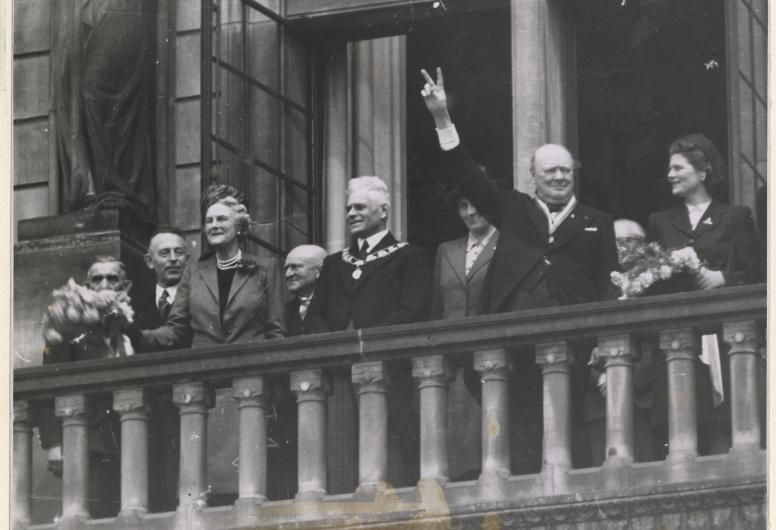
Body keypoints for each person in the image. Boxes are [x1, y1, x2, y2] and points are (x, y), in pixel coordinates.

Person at [421, 67, 618, 473]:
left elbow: (607, 284)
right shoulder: (513, 209)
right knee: (522, 438)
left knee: (572, 440)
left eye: (565, 170)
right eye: (550, 171)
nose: (560, 176)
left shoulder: (597, 220)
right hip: (516, 343)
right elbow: (466, 175)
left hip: (574, 343)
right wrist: (442, 117)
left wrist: (603, 341)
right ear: (534, 176)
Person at [306, 176, 431, 489]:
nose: (351, 213)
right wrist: (335, 346)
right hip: (339, 375)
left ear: (384, 210)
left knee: (395, 455)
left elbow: (412, 310)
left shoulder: (409, 256)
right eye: (348, 208)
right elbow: (315, 315)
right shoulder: (334, 264)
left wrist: (368, 342)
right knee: (341, 456)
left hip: (391, 371)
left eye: (360, 207)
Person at [646, 133, 763, 456]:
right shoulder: (660, 222)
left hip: (724, 342)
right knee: (680, 430)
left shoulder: (736, 217)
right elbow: (649, 280)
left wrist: (722, 277)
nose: (670, 174)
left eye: (677, 168)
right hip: (678, 340)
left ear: (703, 172)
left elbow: (757, 276)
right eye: (669, 169)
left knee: (724, 426)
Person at [34, 256, 133, 518]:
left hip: (127, 434)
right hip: (84, 438)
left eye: (112, 278)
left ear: (125, 286)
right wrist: (54, 444)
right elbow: (46, 388)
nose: (104, 284)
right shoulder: (66, 325)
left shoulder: (129, 324)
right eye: (96, 278)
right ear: (86, 285)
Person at [431, 192, 499, 480]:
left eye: (476, 202)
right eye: (463, 205)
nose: (471, 211)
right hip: (454, 363)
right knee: (458, 453)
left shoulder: (508, 243)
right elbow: (437, 307)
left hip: (492, 357)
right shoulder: (447, 250)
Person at [131, 227, 190, 512]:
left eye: (179, 252)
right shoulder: (133, 301)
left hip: (190, 398)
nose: (173, 259)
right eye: (165, 253)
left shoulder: (199, 294)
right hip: (149, 402)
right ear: (149, 261)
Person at [284, 244, 327, 337]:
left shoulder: (337, 306)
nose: (288, 274)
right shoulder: (284, 311)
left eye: (295, 267)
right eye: (286, 269)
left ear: (319, 271)